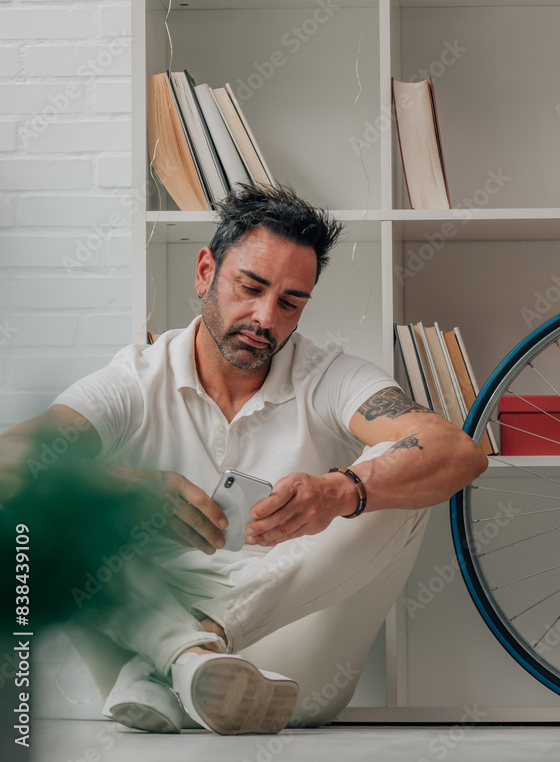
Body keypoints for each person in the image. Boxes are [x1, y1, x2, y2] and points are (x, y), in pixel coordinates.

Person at [6, 184, 488, 736]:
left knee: (406, 473)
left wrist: (338, 490)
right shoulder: (136, 380)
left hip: (285, 664)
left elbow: (458, 451)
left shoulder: (329, 376)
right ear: (205, 271)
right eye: (251, 287)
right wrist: (127, 488)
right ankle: (184, 659)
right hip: (150, 624)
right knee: (47, 487)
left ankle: (188, 651)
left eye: (289, 303)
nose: (264, 318)